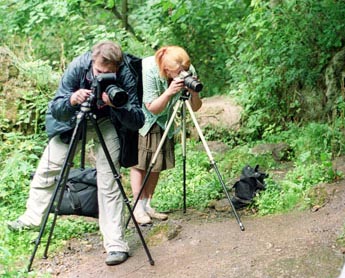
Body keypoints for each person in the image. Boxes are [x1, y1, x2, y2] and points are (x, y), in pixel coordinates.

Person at [7, 40, 145, 266]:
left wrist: (117, 105)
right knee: (48, 168)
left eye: (108, 74)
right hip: (74, 120)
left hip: (107, 121)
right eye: (99, 72)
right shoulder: (78, 67)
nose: (102, 76)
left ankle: (116, 244)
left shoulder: (126, 74)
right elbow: (56, 108)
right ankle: (31, 218)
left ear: (117, 68)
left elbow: (137, 120)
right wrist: (72, 99)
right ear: (92, 61)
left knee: (110, 179)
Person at [130, 45, 202, 224]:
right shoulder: (149, 70)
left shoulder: (186, 70)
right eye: (177, 72)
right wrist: (169, 92)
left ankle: (147, 205)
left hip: (166, 120)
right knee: (140, 163)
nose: (182, 74)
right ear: (165, 69)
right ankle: (137, 207)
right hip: (145, 118)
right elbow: (152, 108)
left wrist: (193, 93)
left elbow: (196, 107)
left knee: (157, 162)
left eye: (184, 70)